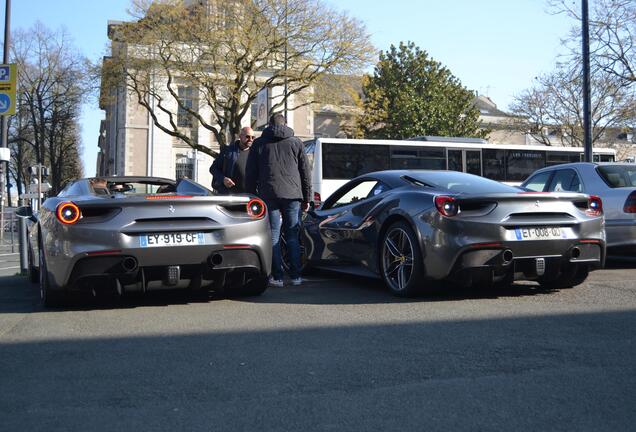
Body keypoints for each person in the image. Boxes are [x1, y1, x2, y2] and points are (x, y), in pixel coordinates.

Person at [246, 113, 312, 287]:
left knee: (273, 235)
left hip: (269, 194)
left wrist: (251, 196)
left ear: (269, 124)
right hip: (293, 194)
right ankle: (296, 276)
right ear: (286, 124)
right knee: (292, 235)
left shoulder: (260, 143)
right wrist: (307, 197)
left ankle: (277, 277)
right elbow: (305, 172)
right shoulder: (296, 142)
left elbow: (251, 172)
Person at [209, 126, 255, 194]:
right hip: (229, 196)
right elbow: (213, 168)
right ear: (240, 136)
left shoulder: (255, 153)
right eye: (248, 136)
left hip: (249, 197)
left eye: (253, 137)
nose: (250, 139)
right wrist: (223, 179)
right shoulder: (228, 151)